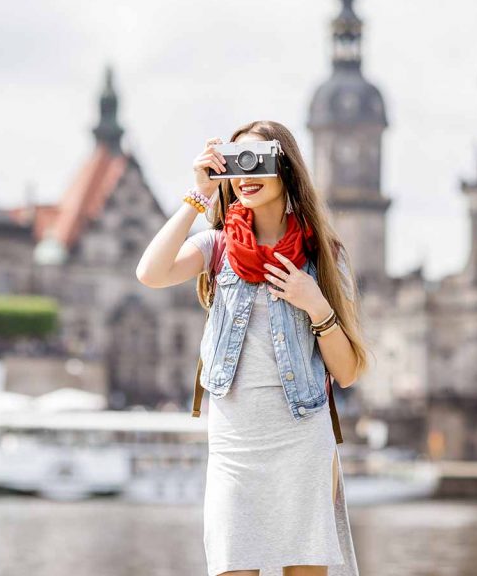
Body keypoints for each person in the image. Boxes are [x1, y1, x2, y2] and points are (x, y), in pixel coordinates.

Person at [135, 120, 370, 576]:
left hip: (301, 438)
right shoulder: (217, 246)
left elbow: (348, 372)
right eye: (236, 162)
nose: (245, 174)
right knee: (231, 566)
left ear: (285, 167)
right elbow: (150, 272)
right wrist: (198, 194)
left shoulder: (323, 255)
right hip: (234, 444)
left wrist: (315, 303)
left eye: (258, 160)